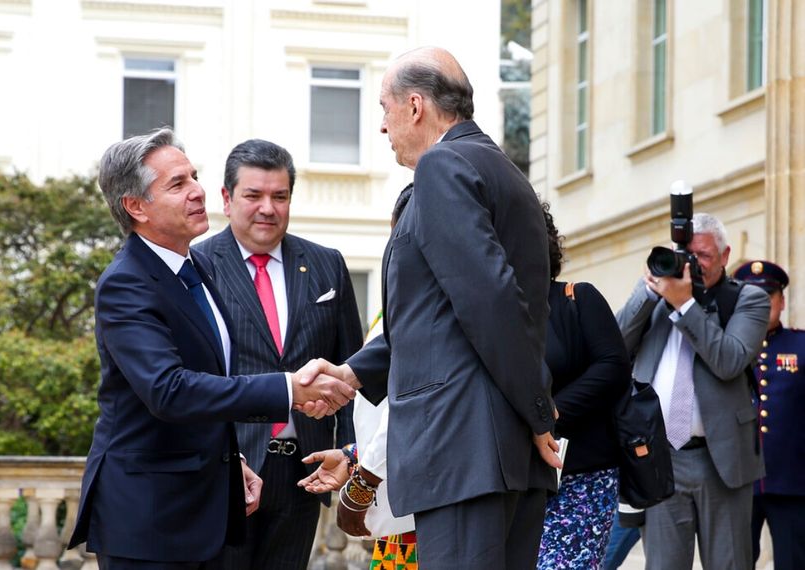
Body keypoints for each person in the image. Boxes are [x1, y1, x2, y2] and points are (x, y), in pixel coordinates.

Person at [300, 46, 561, 569]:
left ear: (415, 106)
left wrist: (538, 417)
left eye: (384, 107)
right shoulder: (499, 169)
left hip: (465, 451)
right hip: (493, 451)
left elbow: (491, 303)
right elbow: (442, 316)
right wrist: (353, 373)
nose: (382, 125)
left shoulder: (442, 165)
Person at [66, 128, 355, 568]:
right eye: (177, 184)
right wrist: (287, 389)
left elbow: (212, 378)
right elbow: (170, 390)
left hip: (210, 500)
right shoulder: (126, 282)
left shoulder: (193, 266)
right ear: (136, 206)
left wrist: (230, 458)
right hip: (149, 518)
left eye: (194, 177)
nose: (197, 192)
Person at [193, 138, 363, 570]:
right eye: (254, 195)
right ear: (227, 198)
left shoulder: (327, 264)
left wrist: (350, 452)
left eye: (280, 196)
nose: (267, 208)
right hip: (228, 469)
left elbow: (352, 367)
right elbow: (191, 379)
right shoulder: (197, 267)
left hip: (305, 472)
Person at [616, 213, 769, 569]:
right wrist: (649, 291)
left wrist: (685, 305)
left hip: (721, 458)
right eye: (687, 255)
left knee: (729, 563)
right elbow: (614, 346)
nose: (693, 264)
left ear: (725, 255)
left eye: (704, 255)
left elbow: (729, 360)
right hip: (661, 458)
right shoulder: (657, 297)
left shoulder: (748, 299)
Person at [297, 183, 418, 569]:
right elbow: (383, 414)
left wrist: (364, 481)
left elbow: (411, 410)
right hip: (397, 512)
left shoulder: (441, 310)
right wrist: (354, 457)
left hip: (431, 511)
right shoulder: (395, 311)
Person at [535, 202, 632, 569]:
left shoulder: (578, 298)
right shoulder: (494, 315)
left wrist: (550, 413)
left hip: (583, 477)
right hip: (518, 482)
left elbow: (614, 367)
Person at [733, 260, 805, 570]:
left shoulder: (801, 345)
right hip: (737, 481)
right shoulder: (728, 347)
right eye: (752, 296)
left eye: (768, 296)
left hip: (791, 480)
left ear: (782, 301)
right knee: (735, 563)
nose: (761, 304)